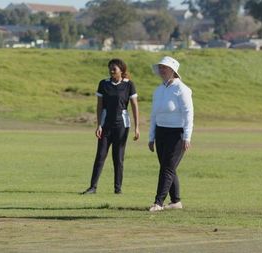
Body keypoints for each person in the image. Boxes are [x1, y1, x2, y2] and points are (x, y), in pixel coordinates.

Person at [81, 58, 139, 194]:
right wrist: (99, 125)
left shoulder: (129, 85)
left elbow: (134, 106)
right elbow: (100, 105)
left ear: (122, 70)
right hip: (106, 125)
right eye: (110, 68)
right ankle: (92, 187)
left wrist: (137, 128)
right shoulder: (103, 84)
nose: (111, 70)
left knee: (118, 157)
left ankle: (117, 189)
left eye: (114, 68)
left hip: (122, 126)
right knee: (100, 155)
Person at [147, 56, 193, 212]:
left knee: (167, 167)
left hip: (177, 134)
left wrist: (187, 137)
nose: (161, 70)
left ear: (173, 70)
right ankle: (176, 201)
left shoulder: (182, 89)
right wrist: (151, 137)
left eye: (164, 67)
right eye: (160, 67)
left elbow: (188, 114)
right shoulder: (158, 90)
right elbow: (154, 115)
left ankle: (158, 202)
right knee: (168, 167)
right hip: (161, 132)